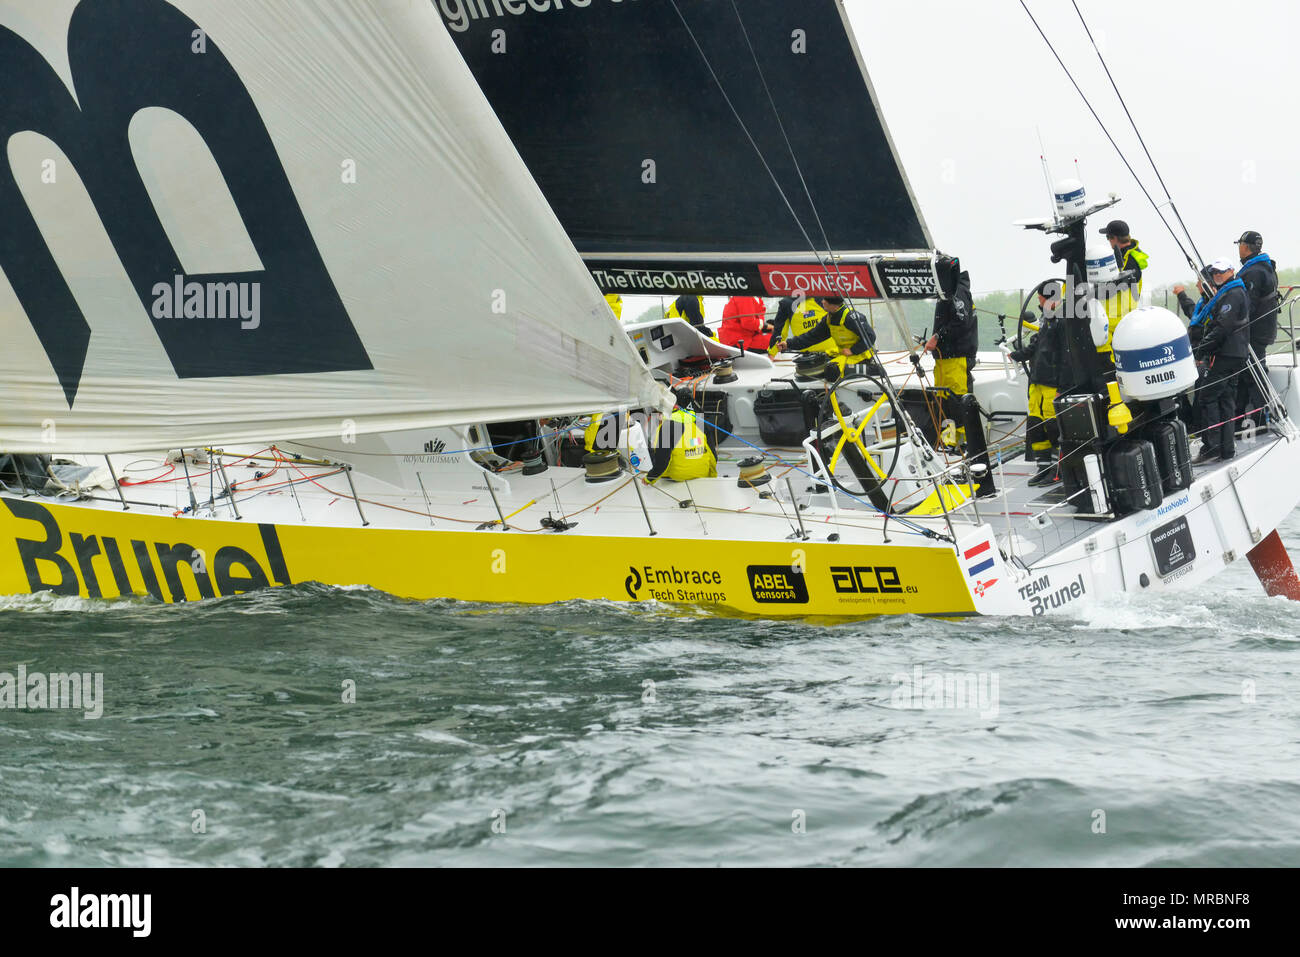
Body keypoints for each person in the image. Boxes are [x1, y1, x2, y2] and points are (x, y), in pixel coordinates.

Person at [1189, 258, 1250, 463]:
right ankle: (1226, 449)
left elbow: (1222, 328)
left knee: (1207, 398)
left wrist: (1199, 349)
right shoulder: (1229, 292)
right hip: (1234, 354)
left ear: (1231, 271)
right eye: (1214, 272)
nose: (1217, 275)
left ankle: (1211, 447)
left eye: (1221, 271)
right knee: (1225, 400)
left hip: (1226, 355)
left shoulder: (1232, 294)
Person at [1010, 283, 1064, 486]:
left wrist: (1062, 385)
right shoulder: (1046, 319)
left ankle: (1058, 468)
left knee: (1053, 425)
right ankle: (1044, 467)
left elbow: (1066, 354)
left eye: (1040, 298)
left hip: (1053, 383)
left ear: (1045, 298)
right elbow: (1038, 345)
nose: (1039, 302)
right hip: (1038, 381)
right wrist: (1018, 354)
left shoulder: (1062, 319)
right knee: (1036, 425)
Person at [1234, 230, 1279, 423]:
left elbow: (1247, 305)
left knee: (1256, 373)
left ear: (1245, 247)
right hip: (1266, 328)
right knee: (1248, 372)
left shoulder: (1252, 272)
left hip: (1256, 331)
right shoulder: (1266, 266)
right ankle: (1240, 416)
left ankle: (1264, 416)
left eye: (1239, 245)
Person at [775, 295, 877, 364]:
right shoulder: (829, 318)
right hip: (846, 356)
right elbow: (812, 337)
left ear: (834, 306)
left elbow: (870, 336)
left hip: (861, 357)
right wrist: (789, 344)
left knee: (831, 371)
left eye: (826, 301)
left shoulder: (850, 317)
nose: (822, 301)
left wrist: (852, 350)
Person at [645, 407, 717, 482]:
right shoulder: (699, 421)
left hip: (677, 477)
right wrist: (712, 476)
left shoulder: (667, 427)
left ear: (660, 415)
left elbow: (662, 462)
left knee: (652, 451)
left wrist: (649, 478)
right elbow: (713, 456)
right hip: (703, 473)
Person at [1098, 220, 1148, 294]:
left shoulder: (1129, 260)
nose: (1108, 240)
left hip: (1120, 305)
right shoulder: (1127, 255)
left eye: (1107, 237)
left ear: (1114, 238)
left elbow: (1115, 287)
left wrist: (1092, 293)